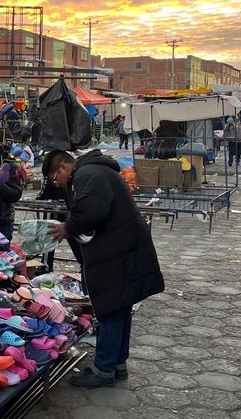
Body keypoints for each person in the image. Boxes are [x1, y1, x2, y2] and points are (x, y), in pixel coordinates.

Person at [46, 148, 164, 388]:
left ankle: (104, 369)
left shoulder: (87, 174)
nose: (56, 184)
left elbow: (92, 211)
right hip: (121, 248)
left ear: (63, 168)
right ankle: (117, 363)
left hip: (116, 251)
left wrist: (67, 228)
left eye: (54, 177)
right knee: (120, 307)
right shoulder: (94, 171)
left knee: (109, 309)